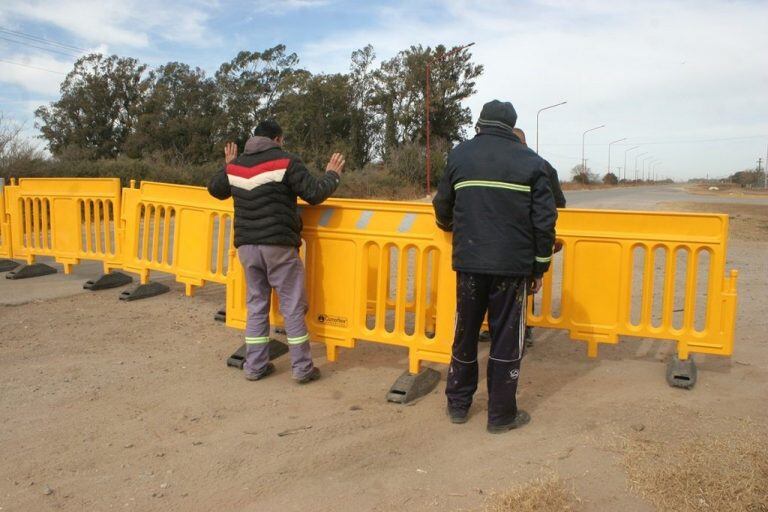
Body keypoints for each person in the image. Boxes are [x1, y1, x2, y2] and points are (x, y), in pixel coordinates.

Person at [432, 100, 557, 434]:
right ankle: (500, 415)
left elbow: (442, 204)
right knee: (505, 338)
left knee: (465, 332)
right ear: (512, 127)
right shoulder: (532, 162)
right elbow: (545, 221)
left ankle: (458, 406)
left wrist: (449, 225)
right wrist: (540, 266)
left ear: (480, 124)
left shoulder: (460, 155)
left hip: (470, 263)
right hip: (512, 267)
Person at [208, 120, 345, 383]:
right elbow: (314, 193)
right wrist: (332, 174)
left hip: (247, 248)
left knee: (257, 305)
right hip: (279, 246)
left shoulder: (237, 166)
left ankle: (255, 366)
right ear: (278, 140)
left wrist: (228, 165)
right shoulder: (286, 161)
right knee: (292, 307)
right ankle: (302, 369)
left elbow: (215, 189)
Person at [512, 127, 566, 348]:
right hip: (519, 237)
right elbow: (558, 203)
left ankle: (523, 328)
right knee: (519, 286)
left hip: (522, 237)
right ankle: (513, 329)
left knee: (523, 287)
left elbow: (557, 203)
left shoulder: (539, 165)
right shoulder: (537, 164)